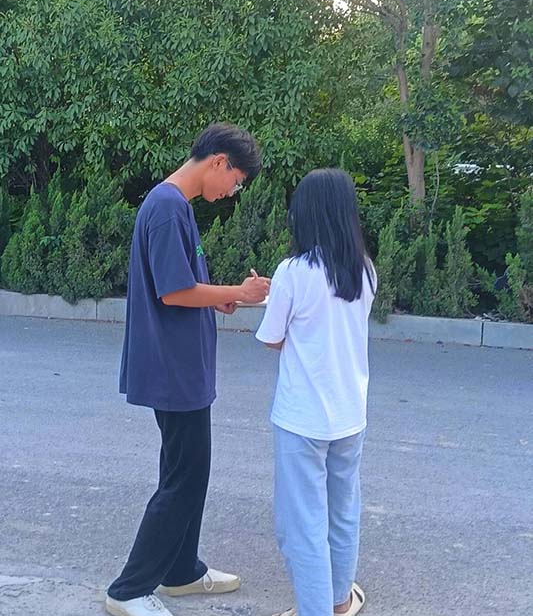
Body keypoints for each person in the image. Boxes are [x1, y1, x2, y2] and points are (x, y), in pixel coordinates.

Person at [106, 123, 270, 616]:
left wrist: (217, 299)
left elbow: (183, 286)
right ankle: (128, 590)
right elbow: (173, 291)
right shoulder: (166, 207)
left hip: (182, 367)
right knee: (184, 478)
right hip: (172, 369)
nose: (232, 192)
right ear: (218, 161)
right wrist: (238, 292)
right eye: (236, 181)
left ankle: (180, 571)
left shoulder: (176, 206)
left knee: (188, 472)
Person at [255, 168, 377, 616]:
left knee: (302, 525)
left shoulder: (292, 271)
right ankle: (340, 601)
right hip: (350, 414)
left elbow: (272, 339)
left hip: (302, 417)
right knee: (342, 512)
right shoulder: (365, 271)